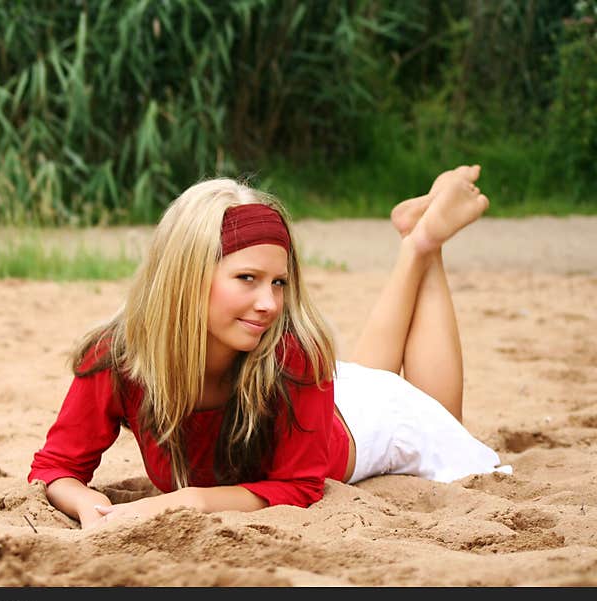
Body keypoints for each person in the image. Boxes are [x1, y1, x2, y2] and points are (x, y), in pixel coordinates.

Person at [28, 166, 511, 529]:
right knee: (364, 378)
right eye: (247, 279)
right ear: (184, 277)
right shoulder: (117, 356)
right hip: (331, 401)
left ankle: (425, 243)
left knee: (440, 421)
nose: (270, 302)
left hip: (374, 426)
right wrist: (81, 502)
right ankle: (416, 238)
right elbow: (56, 466)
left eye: (279, 282)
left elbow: (301, 487)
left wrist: (191, 500)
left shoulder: (290, 352)